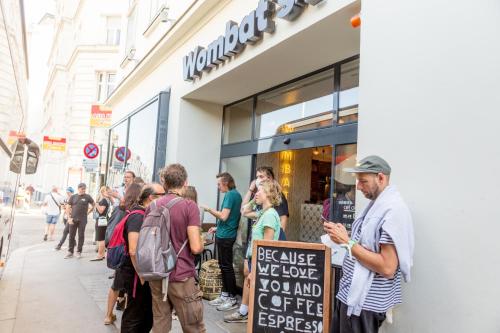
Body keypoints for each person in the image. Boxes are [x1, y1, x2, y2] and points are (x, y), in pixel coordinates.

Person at [323, 156, 414, 333]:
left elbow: (387, 267)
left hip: (364, 305)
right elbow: (369, 244)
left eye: (363, 181)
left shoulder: (393, 211)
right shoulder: (377, 206)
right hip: (352, 298)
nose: (357, 186)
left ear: (381, 178)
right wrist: (343, 236)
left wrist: (346, 241)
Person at [148, 163, 206, 333]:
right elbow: (195, 247)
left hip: (157, 272)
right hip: (181, 275)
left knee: (160, 323)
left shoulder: (152, 206)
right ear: (185, 182)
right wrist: (201, 241)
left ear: (164, 182)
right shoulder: (189, 206)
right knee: (193, 325)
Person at [224, 179, 282, 323]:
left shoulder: (269, 215)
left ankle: (253, 319)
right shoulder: (263, 212)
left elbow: (267, 246)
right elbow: (244, 211)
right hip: (253, 259)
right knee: (251, 288)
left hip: (260, 262)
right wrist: (253, 200)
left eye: (260, 190)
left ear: (268, 193)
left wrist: (255, 269)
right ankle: (245, 313)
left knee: (259, 293)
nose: (256, 193)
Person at [118, 183, 164, 332]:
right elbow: (133, 249)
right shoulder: (137, 216)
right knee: (135, 315)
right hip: (137, 274)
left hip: (143, 274)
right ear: (151, 197)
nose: (165, 198)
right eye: (162, 195)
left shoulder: (146, 214)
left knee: (145, 314)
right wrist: (142, 275)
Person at [201, 172, 242, 312]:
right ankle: (225, 295)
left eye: (219, 184)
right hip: (224, 233)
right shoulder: (234, 194)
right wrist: (217, 227)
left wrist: (209, 209)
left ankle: (231, 299)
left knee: (226, 267)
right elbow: (230, 218)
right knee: (224, 266)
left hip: (226, 236)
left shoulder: (231, 195)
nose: (218, 187)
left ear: (225, 183)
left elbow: (224, 216)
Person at [242, 166, 289, 240]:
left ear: (269, 178)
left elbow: (283, 220)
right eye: (257, 177)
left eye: (261, 176)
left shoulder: (277, 195)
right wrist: (251, 191)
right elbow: (243, 211)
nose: (258, 180)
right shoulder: (259, 196)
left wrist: (278, 240)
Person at [64, 183, 95, 259]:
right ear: (78, 189)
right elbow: (67, 207)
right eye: (82, 189)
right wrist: (69, 218)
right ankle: (70, 252)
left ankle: (78, 251)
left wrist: (89, 212)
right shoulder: (73, 197)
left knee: (81, 235)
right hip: (73, 219)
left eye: (84, 189)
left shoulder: (87, 197)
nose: (83, 190)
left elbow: (94, 204)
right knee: (71, 235)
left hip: (83, 219)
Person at [91, 186, 113, 261]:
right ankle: (102, 254)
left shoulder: (104, 200)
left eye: (108, 191)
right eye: (107, 191)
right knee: (102, 238)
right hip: (103, 220)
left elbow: (101, 211)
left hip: (101, 220)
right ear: (102, 192)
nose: (108, 193)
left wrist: (96, 204)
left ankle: (100, 255)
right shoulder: (107, 200)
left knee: (100, 238)